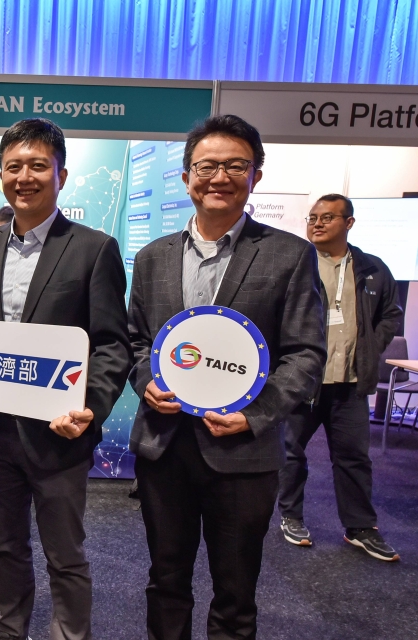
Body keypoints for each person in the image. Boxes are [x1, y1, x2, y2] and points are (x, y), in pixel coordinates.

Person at [127, 115, 326, 639]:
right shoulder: (152, 258)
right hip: (164, 447)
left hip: (243, 454)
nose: (219, 177)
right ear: (188, 178)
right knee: (165, 580)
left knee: (236, 590)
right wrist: (146, 378)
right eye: (207, 166)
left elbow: (306, 354)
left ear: (255, 176)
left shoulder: (288, 255)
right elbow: (137, 341)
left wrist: (254, 415)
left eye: (235, 166)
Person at [0, 118, 131, 640]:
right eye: (14, 167)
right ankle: (9, 629)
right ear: (1, 175)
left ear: (61, 174)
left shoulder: (93, 248)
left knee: (65, 554)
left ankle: (69, 635)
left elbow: (112, 343)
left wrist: (92, 408)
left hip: (58, 431)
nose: (24, 176)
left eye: (37, 165)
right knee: (5, 546)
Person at [278, 194, 402, 561]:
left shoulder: (372, 268)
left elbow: (391, 314)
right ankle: (291, 516)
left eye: (327, 217)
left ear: (348, 223)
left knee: (353, 458)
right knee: (290, 453)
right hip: (303, 381)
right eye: (313, 217)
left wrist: (370, 347)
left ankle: (360, 527)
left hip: (350, 382)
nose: (316, 223)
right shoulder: (296, 264)